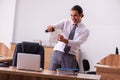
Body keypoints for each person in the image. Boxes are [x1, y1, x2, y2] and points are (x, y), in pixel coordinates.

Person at [46, 5, 90, 71]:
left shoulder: (85, 30)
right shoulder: (65, 22)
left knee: (68, 77)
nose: (73, 18)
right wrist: (50, 27)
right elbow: (55, 26)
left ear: (81, 15)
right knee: (51, 75)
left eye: (75, 15)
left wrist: (64, 40)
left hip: (70, 55)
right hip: (57, 52)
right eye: (71, 15)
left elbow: (77, 43)